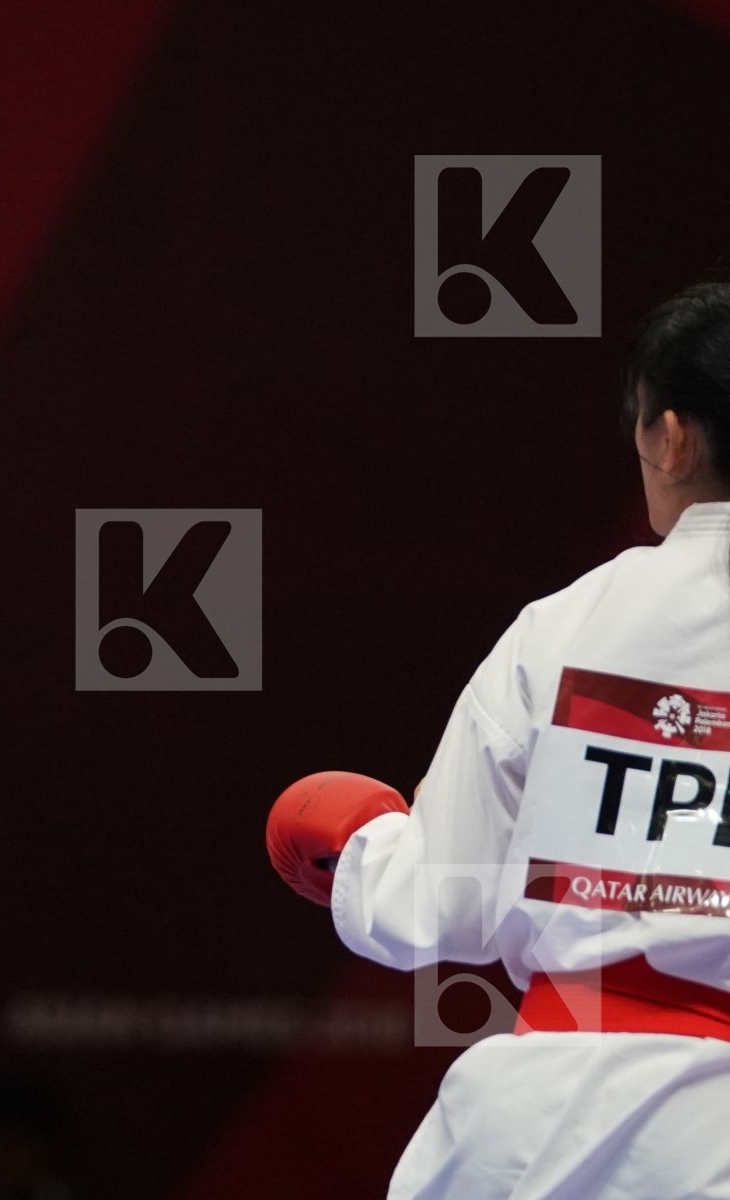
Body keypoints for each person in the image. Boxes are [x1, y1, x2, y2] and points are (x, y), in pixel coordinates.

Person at [267, 281, 730, 1198]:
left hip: (553, 1131)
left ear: (668, 437)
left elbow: (435, 901)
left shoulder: (569, 627)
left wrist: (349, 840)